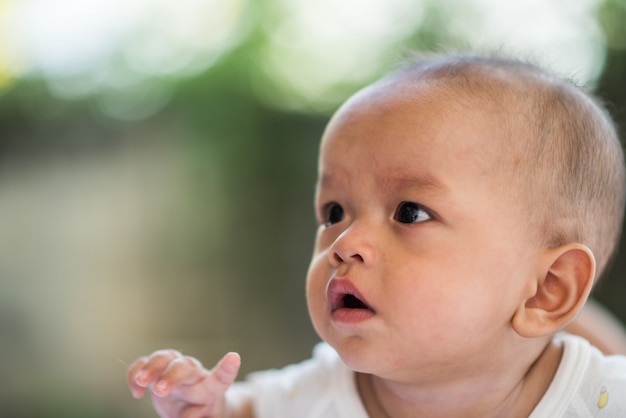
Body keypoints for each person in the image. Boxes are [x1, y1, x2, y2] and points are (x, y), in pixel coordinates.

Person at [127, 53, 626, 417]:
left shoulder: (604, 400)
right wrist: (202, 405)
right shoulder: (316, 397)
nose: (344, 243)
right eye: (334, 211)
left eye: (410, 212)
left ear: (546, 288)